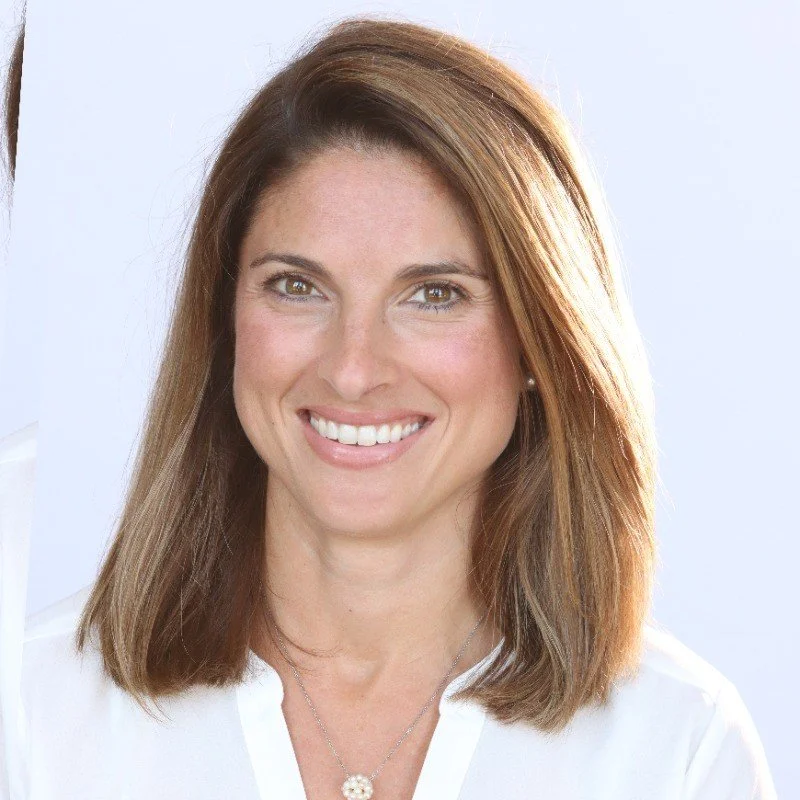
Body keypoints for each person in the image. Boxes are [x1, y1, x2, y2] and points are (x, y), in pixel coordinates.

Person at [13, 16, 775, 800]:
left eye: (434, 295)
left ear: (540, 342)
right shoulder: (34, 714)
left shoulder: (676, 750)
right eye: (297, 286)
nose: (353, 370)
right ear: (225, 318)